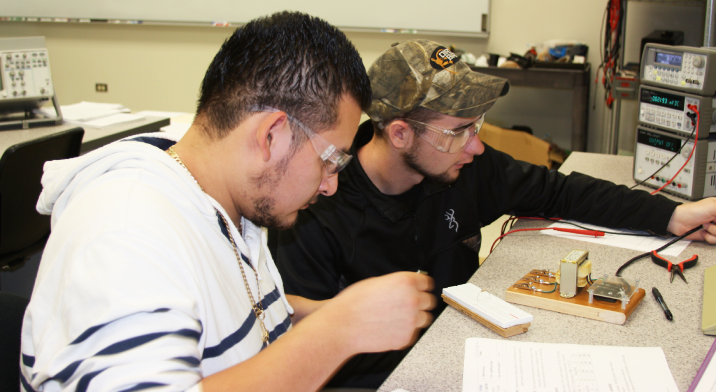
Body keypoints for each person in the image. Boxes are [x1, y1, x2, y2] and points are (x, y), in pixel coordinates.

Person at [20, 13, 436, 392]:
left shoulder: (228, 199)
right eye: (330, 161)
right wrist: (336, 332)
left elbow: (234, 310)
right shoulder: (124, 234)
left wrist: (325, 314)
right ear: (271, 135)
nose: (330, 187)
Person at [272, 39, 716, 388]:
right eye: (460, 130)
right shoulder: (314, 216)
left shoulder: (462, 167)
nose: (477, 145)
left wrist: (673, 215)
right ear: (402, 133)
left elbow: (560, 191)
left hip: (478, 355)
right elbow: (303, 364)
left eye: (477, 125)